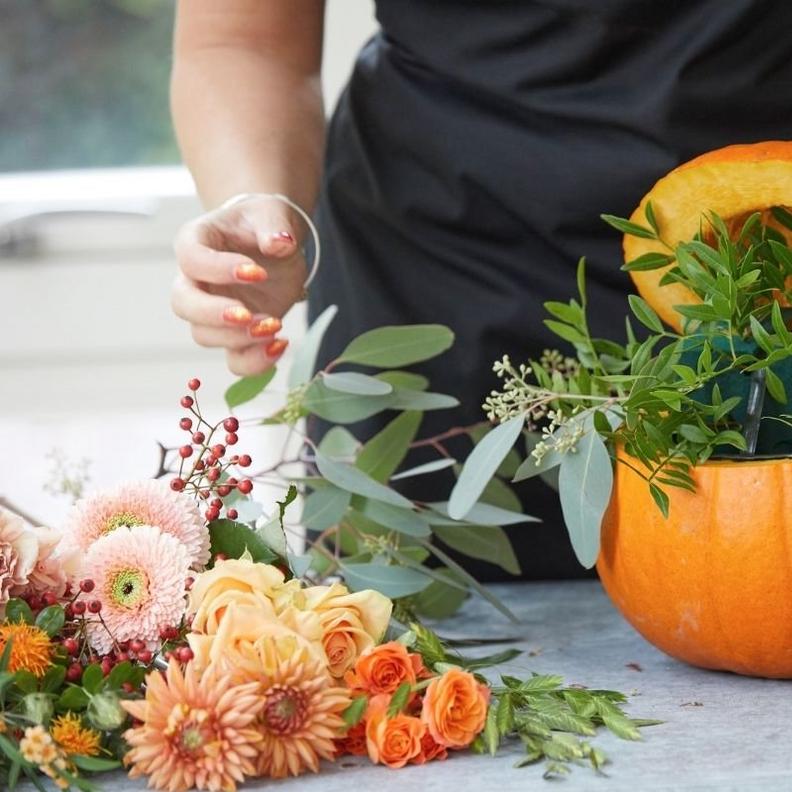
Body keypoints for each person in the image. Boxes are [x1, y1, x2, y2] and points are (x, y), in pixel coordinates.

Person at [169, 0, 792, 580]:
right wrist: (259, 205)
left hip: (760, 267)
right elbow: (240, 41)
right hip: (433, 280)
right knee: (426, 666)